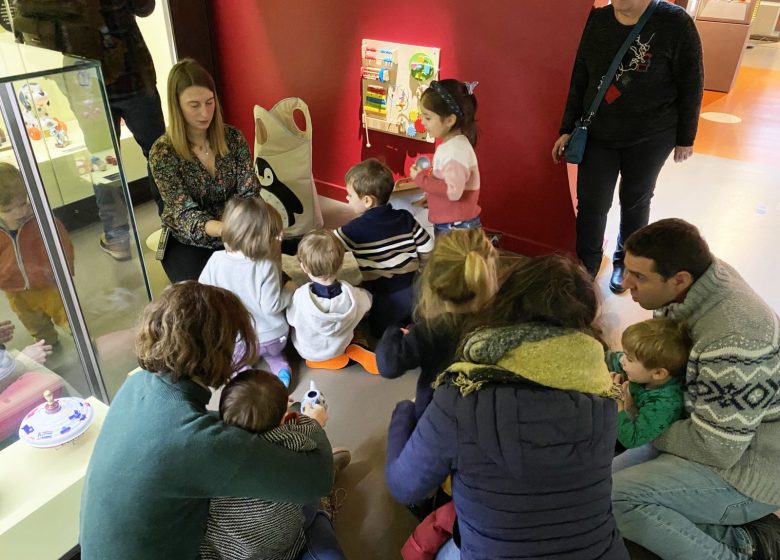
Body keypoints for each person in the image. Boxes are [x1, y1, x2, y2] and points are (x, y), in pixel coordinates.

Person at [386, 255, 628, 559]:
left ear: (504, 305)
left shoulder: (462, 395)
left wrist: (402, 413)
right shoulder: (604, 394)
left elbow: (404, 485)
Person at [79, 281, 334, 560]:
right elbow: (319, 477)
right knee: (305, 506)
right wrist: (310, 421)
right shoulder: (194, 441)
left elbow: (201, 432)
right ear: (218, 350)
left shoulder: (137, 385)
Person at [611, 218, 780, 559]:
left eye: (639, 276)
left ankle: (738, 551)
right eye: (626, 270)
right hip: (701, 430)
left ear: (679, 280)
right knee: (594, 486)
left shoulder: (735, 337)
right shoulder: (691, 287)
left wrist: (637, 417)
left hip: (749, 468)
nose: (626, 283)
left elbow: (718, 449)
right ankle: (742, 536)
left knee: (615, 499)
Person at [551, 0, 703, 292]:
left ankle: (627, 263)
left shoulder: (675, 22)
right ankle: (587, 266)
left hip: (652, 134)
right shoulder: (597, 21)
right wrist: (567, 127)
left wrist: (686, 136)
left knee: (635, 201)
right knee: (592, 204)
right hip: (598, 132)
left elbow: (692, 81)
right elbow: (580, 75)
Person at [14, 0, 167, 260]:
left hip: (85, 78)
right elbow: (144, 7)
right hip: (132, 74)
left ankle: (117, 238)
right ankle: (173, 225)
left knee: (103, 159)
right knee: (158, 153)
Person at [199, 370, 346, 560]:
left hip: (224, 552)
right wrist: (313, 420)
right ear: (285, 420)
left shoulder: (210, 445)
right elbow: (319, 464)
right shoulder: (292, 439)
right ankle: (321, 510)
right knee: (314, 506)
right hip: (283, 546)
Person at [149, 58, 261, 282]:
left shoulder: (233, 138)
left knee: (265, 280)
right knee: (207, 300)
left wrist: (242, 228)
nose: (205, 113)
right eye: (194, 105)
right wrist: (224, 229)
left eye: (210, 102)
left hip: (236, 231)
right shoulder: (163, 152)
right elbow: (183, 213)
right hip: (187, 241)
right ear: (176, 105)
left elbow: (249, 192)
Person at [376, 228, 500, 420]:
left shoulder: (429, 330)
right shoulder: (500, 319)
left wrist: (394, 331)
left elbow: (388, 366)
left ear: (432, 280)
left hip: (436, 406)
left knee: (405, 412)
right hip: (485, 407)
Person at [198, 197, 295, 388]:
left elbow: (203, 292)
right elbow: (271, 306)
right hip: (273, 337)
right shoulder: (266, 265)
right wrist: (290, 289)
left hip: (237, 341)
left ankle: (242, 376)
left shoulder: (215, 260)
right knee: (274, 352)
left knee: (234, 360)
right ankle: (280, 366)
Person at [334, 158, 434, 338]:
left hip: (383, 297)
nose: (346, 198)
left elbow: (327, 246)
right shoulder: (405, 217)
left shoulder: (352, 230)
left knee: (379, 331)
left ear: (366, 201)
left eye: (349, 195)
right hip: (415, 291)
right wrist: (423, 272)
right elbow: (428, 246)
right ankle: (413, 328)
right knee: (416, 321)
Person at [0, 163, 74, 346]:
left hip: (47, 283)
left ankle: (79, 336)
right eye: (8, 210)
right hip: (15, 289)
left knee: (66, 315)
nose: (19, 212)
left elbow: (63, 244)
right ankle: (46, 343)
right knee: (34, 324)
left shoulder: (41, 221)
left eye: (23, 203)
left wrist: (65, 270)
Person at [286, 229, 376, 374]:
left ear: (304, 267)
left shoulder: (299, 297)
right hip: (339, 346)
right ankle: (356, 348)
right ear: (341, 264)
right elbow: (368, 302)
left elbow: (291, 318)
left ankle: (324, 360)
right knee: (356, 324)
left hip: (309, 352)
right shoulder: (351, 294)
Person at [606, 317, 689, 470]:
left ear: (658, 373)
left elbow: (632, 439)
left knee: (609, 470)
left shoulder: (665, 403)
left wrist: (616, 398)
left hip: (649, 443)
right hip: (631, 417)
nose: (622, 360)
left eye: (629, 359)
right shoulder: (645, 370)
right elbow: (611, 359)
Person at [410, 79, 480, 235]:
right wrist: (433, 197)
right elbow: (448, 184)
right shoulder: (454, 145)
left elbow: (454, 191)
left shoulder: (454, 152)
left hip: (455, 227)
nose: (422, 122)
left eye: (428, 118)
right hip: (456, 222)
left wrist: (421, 180)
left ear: (450, 120)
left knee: (448, 260)